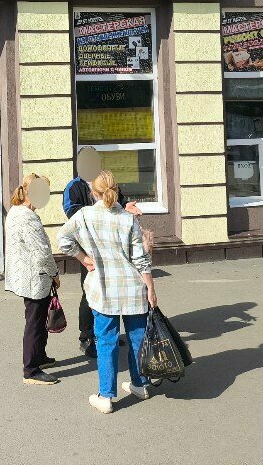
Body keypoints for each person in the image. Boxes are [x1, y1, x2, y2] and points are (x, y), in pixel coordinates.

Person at [58, 170, 158, 414]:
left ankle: (106, 396)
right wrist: (151, 288)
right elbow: (141, 258)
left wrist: (84, 259)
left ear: (93, 192)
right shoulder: (127, 218)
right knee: (137, 338)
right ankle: (140, 384)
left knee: (106, 342)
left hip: (103, 289)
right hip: (133, 287)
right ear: (116, 190)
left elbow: (63, 240)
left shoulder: (84, 215)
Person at [62, 147, 138, 358]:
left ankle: (109, 333)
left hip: (113, 246)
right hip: (89, 249)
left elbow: (118, 203)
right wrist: (97, 214)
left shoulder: (105, 182)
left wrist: (127, 206)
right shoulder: (74, 186)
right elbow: (70, 212)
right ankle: (87, 335)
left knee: (112, 288)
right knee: (90, 291)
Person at [3, 173, 60, 386]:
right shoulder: (27, 217)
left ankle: (39, 356)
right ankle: (31, 370)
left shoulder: (16, 211)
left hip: (26, 275)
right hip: (34, 278)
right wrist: (55, 274)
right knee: (34, 323)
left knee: (39, 318)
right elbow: (42, 252)